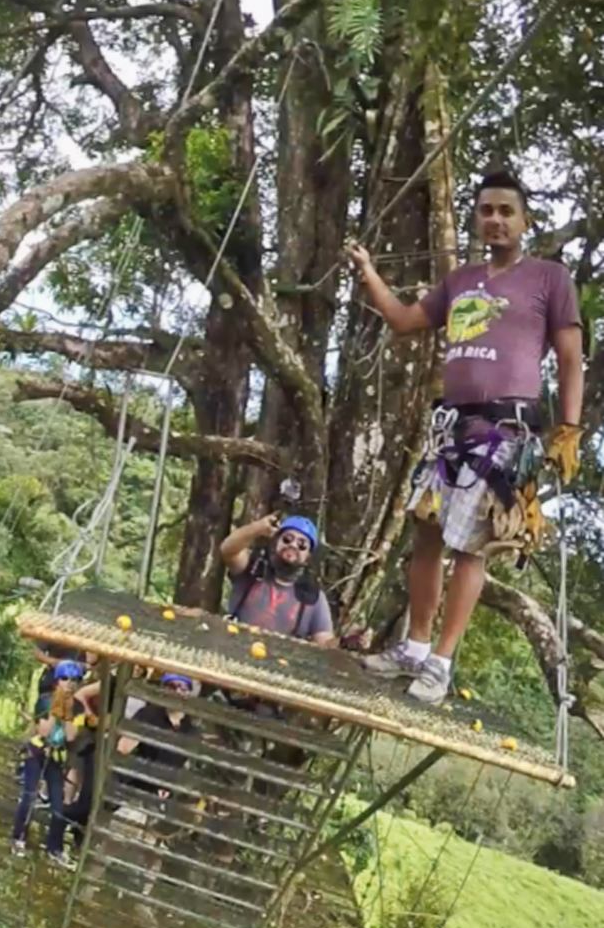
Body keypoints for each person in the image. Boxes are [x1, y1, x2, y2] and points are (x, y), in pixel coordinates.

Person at [348, 169, 585, 703]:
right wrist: (367, 273)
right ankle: (413, 645)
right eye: (486, 210)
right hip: (452, 425)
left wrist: (568, 429)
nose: (495, 219)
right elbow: (407, 320)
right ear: (476, 218)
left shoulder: (549, 278)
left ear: (525, 221)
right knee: (426, 535)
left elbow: (571, 358)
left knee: (472, 546)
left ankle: (441, 662)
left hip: (505, 430)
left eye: (506, 211)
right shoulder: (460, 281)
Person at [11, 660, 95, 859]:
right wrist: (54, 710)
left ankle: (54, 847)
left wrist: (66, 714)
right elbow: (44, 731)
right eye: (65, 679)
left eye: (75, 680)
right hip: (38, 752)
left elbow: (71, 736)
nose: (70, 683)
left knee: (58, 805)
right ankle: (18, 837)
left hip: (57, 756)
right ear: (57, 681)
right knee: (30, 796)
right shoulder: (45, 700)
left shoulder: (79, 709)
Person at [217, 513, 337, 646]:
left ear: (307, 557)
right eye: (287, 539)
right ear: (275, 543)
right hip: (233, 650)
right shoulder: (253, 568)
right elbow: (227, 550)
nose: (293, 545)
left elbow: (325, 644)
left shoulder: (313, 597)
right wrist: (258, 528)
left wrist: (345, 643)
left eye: (302, 545)